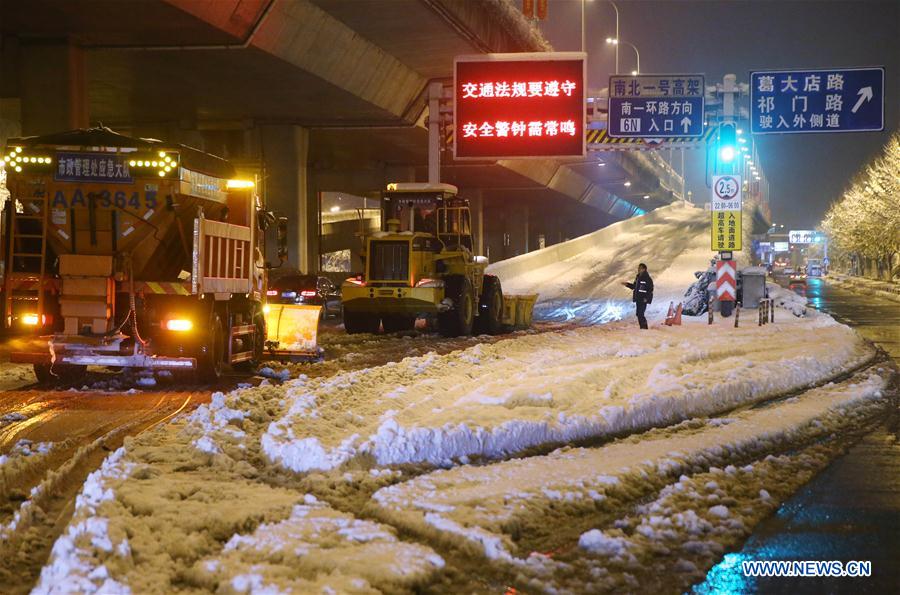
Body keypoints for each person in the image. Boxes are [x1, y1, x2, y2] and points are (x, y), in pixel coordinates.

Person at [622, 263, 654, 329]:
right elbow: (634, 286)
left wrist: (646, 298)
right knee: (638, 314)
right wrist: (627, 284)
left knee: (640, 314)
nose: (638, 269)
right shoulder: (638, 277)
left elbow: (650, 289)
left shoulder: (647, 278)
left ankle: (644, 328)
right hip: (638, 298)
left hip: (643, 299)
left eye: (640, 268)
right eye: (638, 268)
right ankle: (643, 328)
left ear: (644, 269)